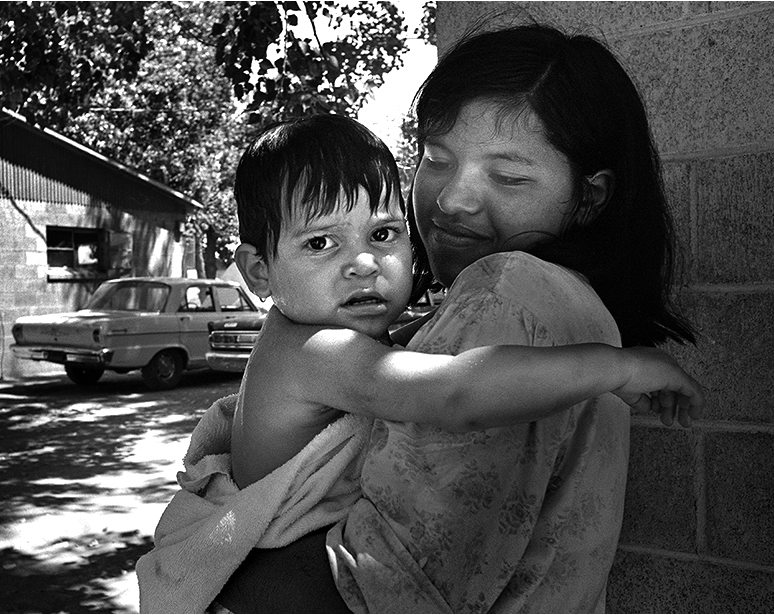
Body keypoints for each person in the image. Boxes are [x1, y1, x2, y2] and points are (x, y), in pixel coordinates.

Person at [212, 22, 703, 614]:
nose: (450, 201)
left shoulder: (510, 295)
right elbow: (454, 392)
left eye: (508, 176)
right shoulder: (322, 349)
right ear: (258, 270)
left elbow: (374, 592)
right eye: (436, 159)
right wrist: (615, 368)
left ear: (589, 196)